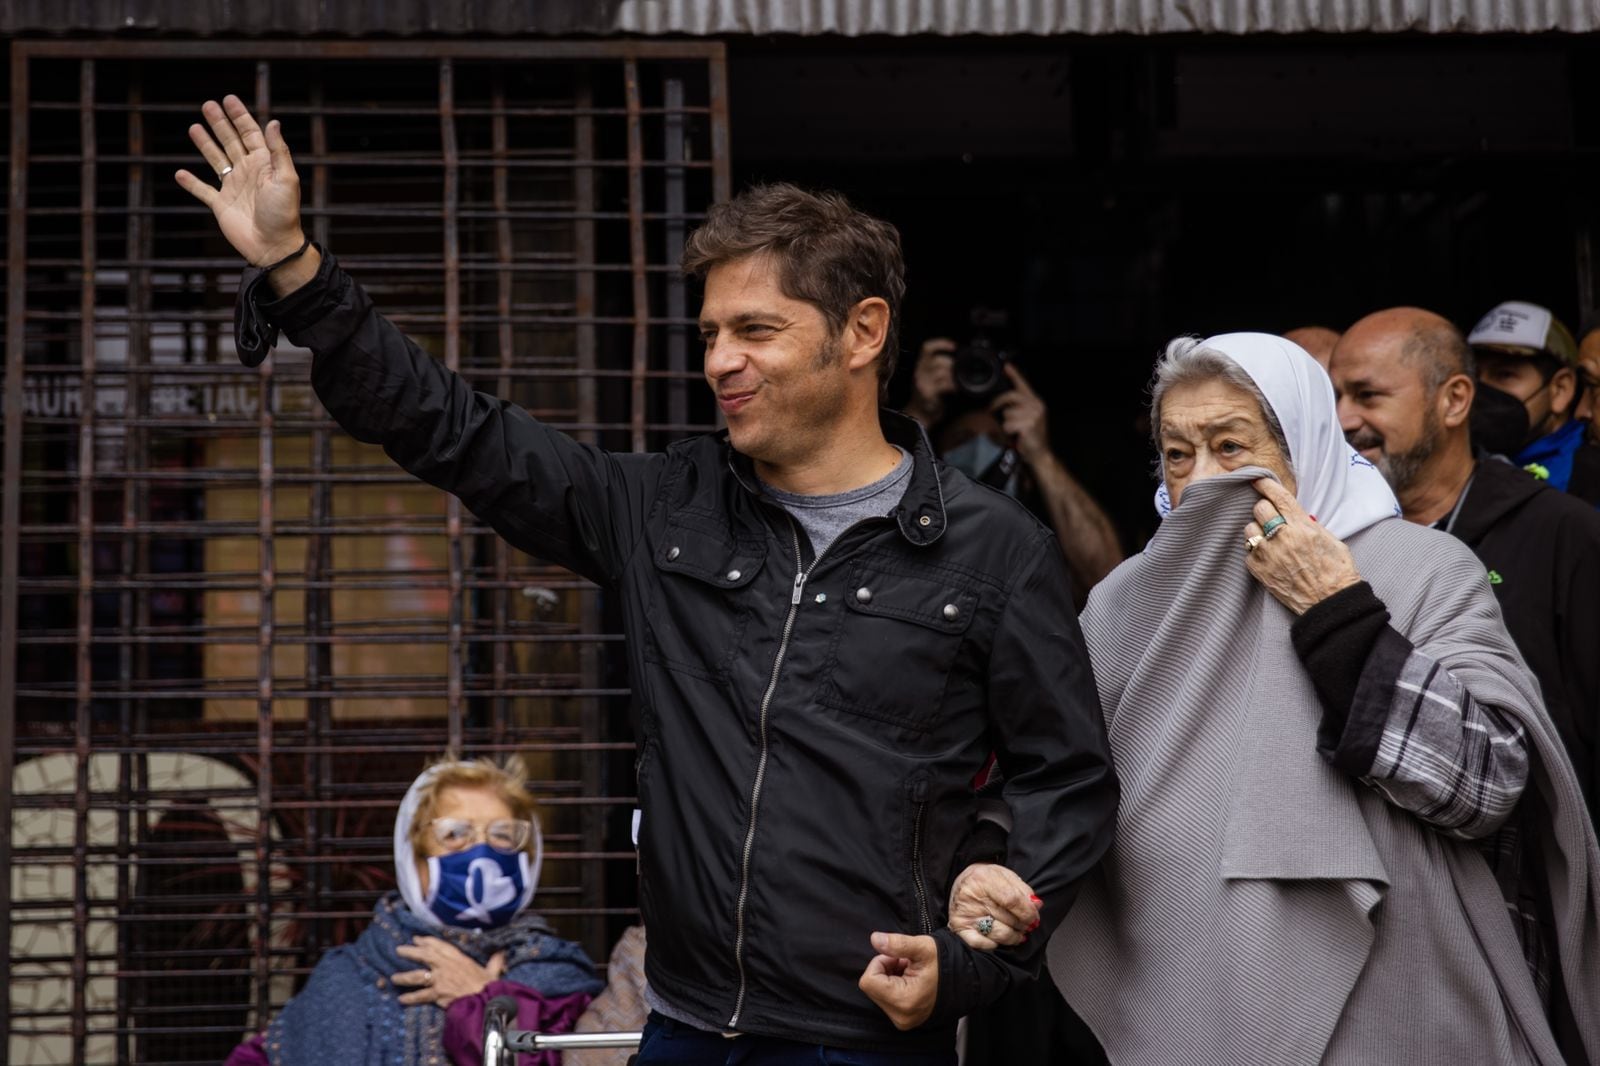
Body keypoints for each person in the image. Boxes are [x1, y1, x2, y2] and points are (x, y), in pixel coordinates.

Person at [178, 96, 1118, 1063]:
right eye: (710, 333)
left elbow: (1069, 776)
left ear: (863, 332)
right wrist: (299, 272)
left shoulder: (994, 549)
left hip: (868, 1034)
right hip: (682, 1026)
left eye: (755, 330)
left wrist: (970, 959)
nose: (720, 361)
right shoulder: (664, 506)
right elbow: (454, 430)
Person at [992, 331, 1596, 1065]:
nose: (1202, 480)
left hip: (1400, 1010)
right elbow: (1054, 775)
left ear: (1303, 449)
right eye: (1178, 455)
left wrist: (1334, 609)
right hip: (1198, 1004)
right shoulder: (1131, 603)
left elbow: (1487, 782)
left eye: (1231, 448)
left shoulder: (1419, 570)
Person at [1330, 307, 1600, 820]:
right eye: (1335, 397)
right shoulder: (1324, 541)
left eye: (1367, 396)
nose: (1344, 420)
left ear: (1454, 400)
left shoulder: (1562, 531)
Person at [225, 756, 601, 1066]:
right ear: (412, 858)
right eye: (455, 834)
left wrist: (482, 998)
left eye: (503, 835)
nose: (482, 852)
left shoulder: (557, 976)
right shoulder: (348, 975)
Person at [905, 338, 1122, 601]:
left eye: (996, 441)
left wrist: (1041, 455)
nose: (980, 450)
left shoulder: (1037, 550)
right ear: (936, 457)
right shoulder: (916, 538)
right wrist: (918, 418)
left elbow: (1109, 583)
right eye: (963, 440)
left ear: (1026, 476)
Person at [1468, 300, 1600, 504]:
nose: (1482, 392)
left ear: (1560, 389)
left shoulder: (1582, 476)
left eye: (1504, 375)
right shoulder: (1470, 461)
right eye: (1475, 375)